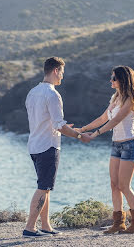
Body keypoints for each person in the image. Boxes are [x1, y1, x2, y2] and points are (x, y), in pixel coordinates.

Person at [74, 65, 134, 234]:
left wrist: (94, 135)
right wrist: (82, 129)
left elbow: (116, 120)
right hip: (116, 145)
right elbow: (104, 118)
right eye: (111, 78)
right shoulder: (115, 97)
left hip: (129, 145)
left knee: (124, 185)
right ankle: (119, 223)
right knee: (114, 185)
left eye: (114, 78)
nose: (111, 80)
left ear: (122, 80)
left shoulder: (130, 99)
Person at [23, 57, 92, 238]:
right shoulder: (53, 94)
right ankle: (30, 228)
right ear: (55, 71)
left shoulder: (32, 92)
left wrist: (67, 128)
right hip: (48, 146)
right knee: (43, 186)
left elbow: (46, 121)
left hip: (34, 145)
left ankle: (46, 225)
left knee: (45, 187)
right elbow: (59, 126)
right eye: (62, 72)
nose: (63, 76)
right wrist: (79, 135)